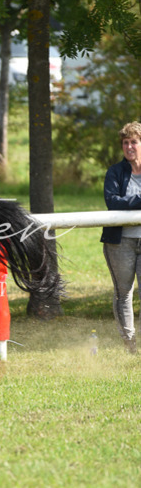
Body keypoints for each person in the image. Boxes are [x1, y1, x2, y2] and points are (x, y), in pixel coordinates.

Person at [101, 121, 141, 353]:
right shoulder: (115, 171)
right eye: (125, 143)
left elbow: (121, 202)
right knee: (123, 292)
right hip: (120, 242)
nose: (129, 147)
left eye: (134, 142)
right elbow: (112, 202)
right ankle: (130, 344)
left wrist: (130, 204)